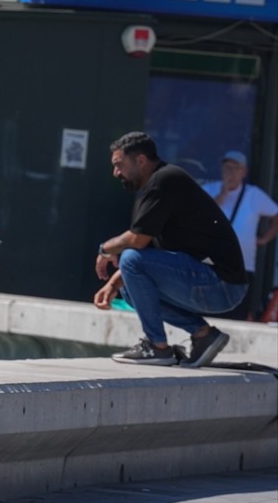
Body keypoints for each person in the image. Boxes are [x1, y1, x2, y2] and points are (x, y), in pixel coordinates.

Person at [92, 132, 247, 367]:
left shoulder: (165, 180)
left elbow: (137, 241)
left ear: (141, 160)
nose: (116, 173)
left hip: (221, 284)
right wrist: (113, 285)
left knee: (131, 259)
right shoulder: (161, 184)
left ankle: (157, 347)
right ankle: (204, 335)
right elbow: (147, 253)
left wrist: (104, 249)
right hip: (215, 284)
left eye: (119, 165)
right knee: (129, 289)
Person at [202, 150, 278, 321]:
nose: (230, 172)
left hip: (243, 266)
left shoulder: (253, 195)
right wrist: (221, 195)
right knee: (208, 313)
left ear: (244, 172)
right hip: (211, 264)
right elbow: (197, 215)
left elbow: (276, 214)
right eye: (227, 168)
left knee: (236, 314)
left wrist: (265, 238)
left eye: (235, 168)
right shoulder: (209, 190)